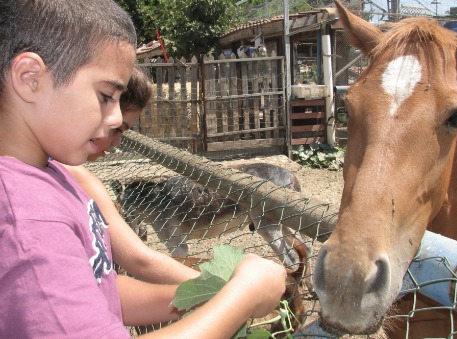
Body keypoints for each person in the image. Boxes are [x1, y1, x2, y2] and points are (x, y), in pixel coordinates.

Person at [0, 1, 287, 338]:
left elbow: (99, 291)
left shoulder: (54, 177)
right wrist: (240, 299)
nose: (117, 119)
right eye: (106, 95)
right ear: (30, 78)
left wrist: (208, 295)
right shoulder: (27, 220)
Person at [67, 66, 201, 284]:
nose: (117, 142)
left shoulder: (82, 178)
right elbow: (140, 261)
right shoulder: (73, 177)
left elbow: (135, 263)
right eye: (117, 129)